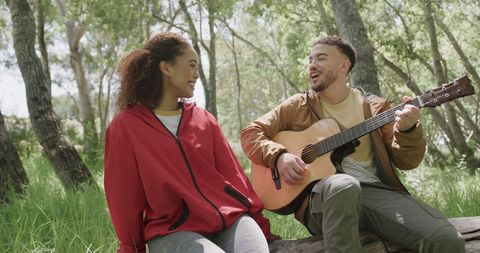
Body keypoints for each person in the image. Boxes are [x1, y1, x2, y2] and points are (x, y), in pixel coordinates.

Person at [240, 36, 464, 253]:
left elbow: (408, 162)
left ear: (343, 66)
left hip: (377, 193)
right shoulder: (297, 105)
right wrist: (279, 156)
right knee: (344, 185)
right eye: (310, 60)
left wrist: (407, 131)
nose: (311, 65)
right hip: (324, 199)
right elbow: (251, 133)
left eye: (320, 58)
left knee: (445, 239)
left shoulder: (376, 107)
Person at [104, 31, 273, 253]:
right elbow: (124, 196)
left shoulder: (204, 119)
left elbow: (234, 177)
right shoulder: (126, 126)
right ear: (166, 68)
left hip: (229, 219)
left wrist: (258, 222)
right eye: (191, 65)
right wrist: (131, 247)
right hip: (173, 231)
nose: (196, 74)